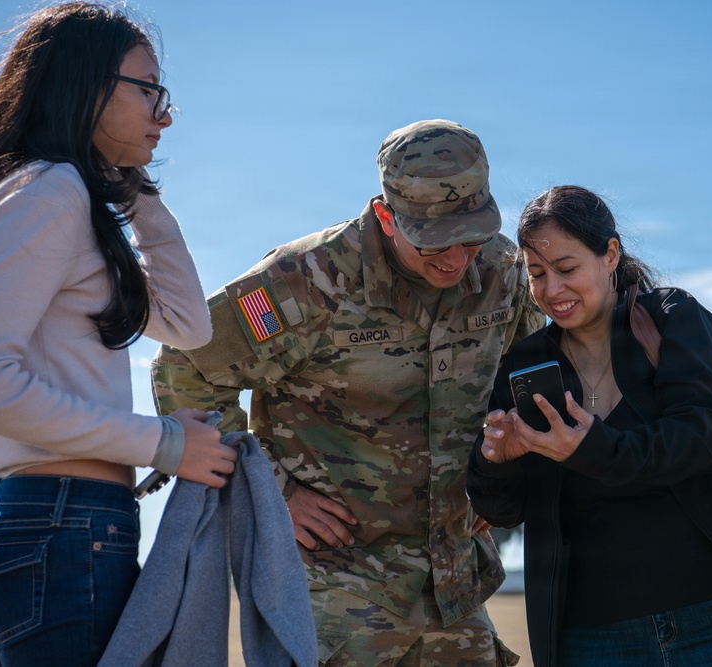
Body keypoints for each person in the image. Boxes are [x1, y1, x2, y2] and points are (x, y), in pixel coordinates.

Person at [150, 119, 544, 665]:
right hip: (332, 587)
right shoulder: (307, 281)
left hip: (453, 586)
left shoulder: (504, 270)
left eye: (471, 236)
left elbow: (534, 375)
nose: (456, 258)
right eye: (434, 244)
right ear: (386, 216)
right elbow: (184, 367)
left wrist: (505, 475)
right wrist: (270, 493)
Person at [0, 3, 237, 665]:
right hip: (60, 524)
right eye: (149, 88)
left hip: (65, 522)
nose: (166, 113)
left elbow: (187, 323)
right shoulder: (52, 190)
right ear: (87, 84)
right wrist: (162, 442)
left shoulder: (68, 192)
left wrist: (132, 183)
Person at [467, 185, 712, 667]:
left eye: (567, 269)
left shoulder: (672, 319)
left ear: (610, 255)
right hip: (592, 638)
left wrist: (589, 449)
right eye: (537, 274)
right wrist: (495, 461)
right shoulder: (525, 363)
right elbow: (504, 511)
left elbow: (705, 439)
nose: (552, 291)